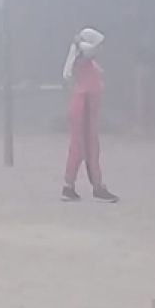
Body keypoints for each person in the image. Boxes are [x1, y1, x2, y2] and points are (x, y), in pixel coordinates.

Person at [61, 28, 120, 203]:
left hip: (86, 108)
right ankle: (96, 187)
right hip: (83, 107)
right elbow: (87, 50)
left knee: (83, 148)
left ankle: (71, 186)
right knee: (86, 148)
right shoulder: (81, 58)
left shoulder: (89, 63)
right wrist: (78, 42)